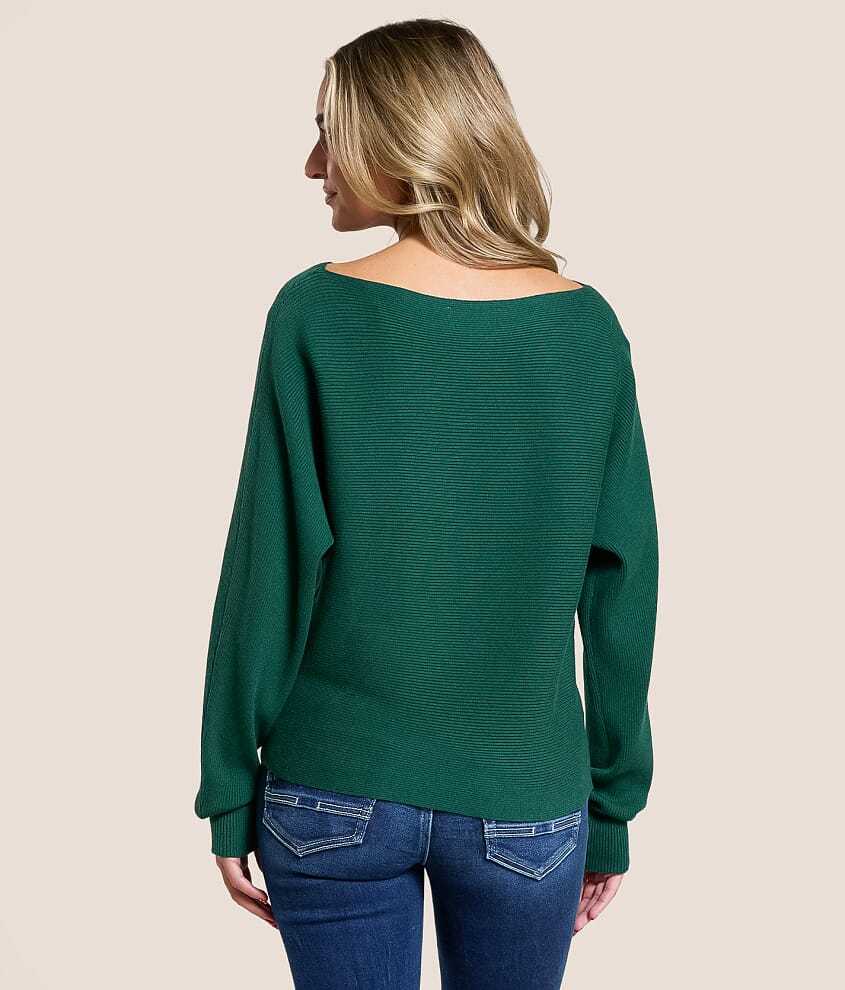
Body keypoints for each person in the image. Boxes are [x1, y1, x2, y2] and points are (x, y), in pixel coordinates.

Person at [194, 17, 659, 989]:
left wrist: (229, 783)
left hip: (333, 790)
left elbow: (268, 567)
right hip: (524, 798)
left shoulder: (315, 311)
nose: (313, 165)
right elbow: (621, 584)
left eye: (330, 134)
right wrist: (611, 807)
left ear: (399, 137)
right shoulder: (582, 327)